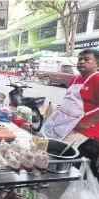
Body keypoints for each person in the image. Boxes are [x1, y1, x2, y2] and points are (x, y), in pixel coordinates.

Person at [40, 48, 99, 178]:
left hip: (84, 130)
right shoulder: (75, 79)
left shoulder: (97, 79)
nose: (82, 61)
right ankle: (46, 175)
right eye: (80, 59)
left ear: (97, 64)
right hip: (66, 122)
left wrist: (89, 123)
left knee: (68, 158)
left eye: (87, 59)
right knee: (48, 147)